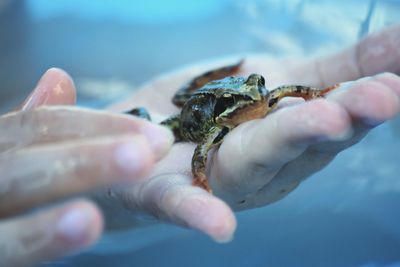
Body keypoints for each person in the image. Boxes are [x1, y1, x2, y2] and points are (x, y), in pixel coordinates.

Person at [1, 25, 399, 266]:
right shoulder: (215, 128)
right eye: (241, 100)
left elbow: (287, 89)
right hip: (184, 120)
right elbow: (200, 152)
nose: (258, 100)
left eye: (259, 90)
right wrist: (200, 180)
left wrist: (318, 93)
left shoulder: (261, 95)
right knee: (147, 121)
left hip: (211, 95)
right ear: (228, 109)